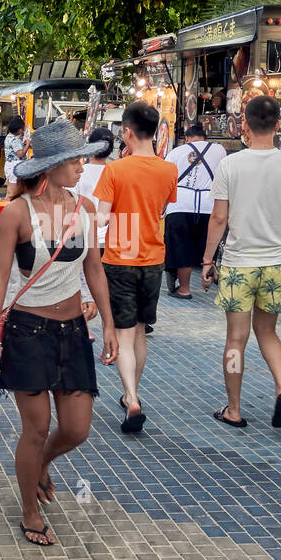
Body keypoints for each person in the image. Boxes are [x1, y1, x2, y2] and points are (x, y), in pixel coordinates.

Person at [0, 122, 117, 547]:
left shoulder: (87, 207)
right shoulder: (17, 213)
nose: (83, 165)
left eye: (83, 157)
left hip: (73, 329)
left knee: (77, 428)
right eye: (75, 159)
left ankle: (39, 465)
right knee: (37, 427)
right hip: (27, 331)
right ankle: (29, 509)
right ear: (51, 165)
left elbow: (94, 268)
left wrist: (110, 324)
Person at [201, 95, 281, 429]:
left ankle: (233, 409)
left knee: (236, 339)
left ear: (245, 126)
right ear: (278, 126)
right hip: (277, 262)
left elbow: (219, 218)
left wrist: (207, 259)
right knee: (269, 332)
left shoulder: (230, 166)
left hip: (239, 264)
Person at [92, 103, 178, 433]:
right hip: (153, 257)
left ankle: (131, 398)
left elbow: (101, 217)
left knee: (124, 336)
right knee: (140, 330)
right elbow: (160, 208)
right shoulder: (168, 169)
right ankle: (134, 392)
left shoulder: (116, 170)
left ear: (127, 132)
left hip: (120, 257)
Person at [163, 122, 226, 300]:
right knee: (209, 242)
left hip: (180, 205)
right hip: (209, 205)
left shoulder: (176, 152)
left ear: (187, 139)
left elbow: (166, 180)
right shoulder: (219, 150)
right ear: (205, 138)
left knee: (182, 247)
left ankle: (184, 289)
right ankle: (210, 276)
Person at [3, 117, 28, 190]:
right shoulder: (14, 139)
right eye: (21, 129)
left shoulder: (8, 137)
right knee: (13, 191)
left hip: (9, 165)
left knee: (10, 190)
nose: (21, 131)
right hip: (15, 166)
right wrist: (27, 145)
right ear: (18, 128)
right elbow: (20, 154)